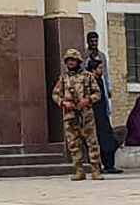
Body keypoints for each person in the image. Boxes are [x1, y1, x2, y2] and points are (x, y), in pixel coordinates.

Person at [52, 49, 104, 181]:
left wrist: (87, 100)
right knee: (73, 144)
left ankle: (95, 170)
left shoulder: (88, 76)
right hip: (70, 116)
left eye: (73, 60)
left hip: (86, 115)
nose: (70, 62)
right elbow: (55, 94)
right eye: (68, 60)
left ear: (78, 61)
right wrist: (63, 103)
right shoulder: (63, 78)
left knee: (92, 143)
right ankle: (79, 170)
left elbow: (98, 94)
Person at [86, 58, 123, 174]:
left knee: (108, 139)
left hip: (103, 114)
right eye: (100, 68)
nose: (102, 70)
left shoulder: (100, 80)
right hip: (95, 116)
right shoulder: (89, 82)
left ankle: (109, 164)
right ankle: (102, 165)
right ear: (93, 69)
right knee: (100, 141)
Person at [83, 32, 114, 116]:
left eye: (96, 41)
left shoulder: (101, 56)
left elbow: (106, 73)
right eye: (91, 41)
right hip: (89, 86)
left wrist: (108, 88)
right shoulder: (84, 56)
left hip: (101, 85)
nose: (94, 43)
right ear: (88, 42)